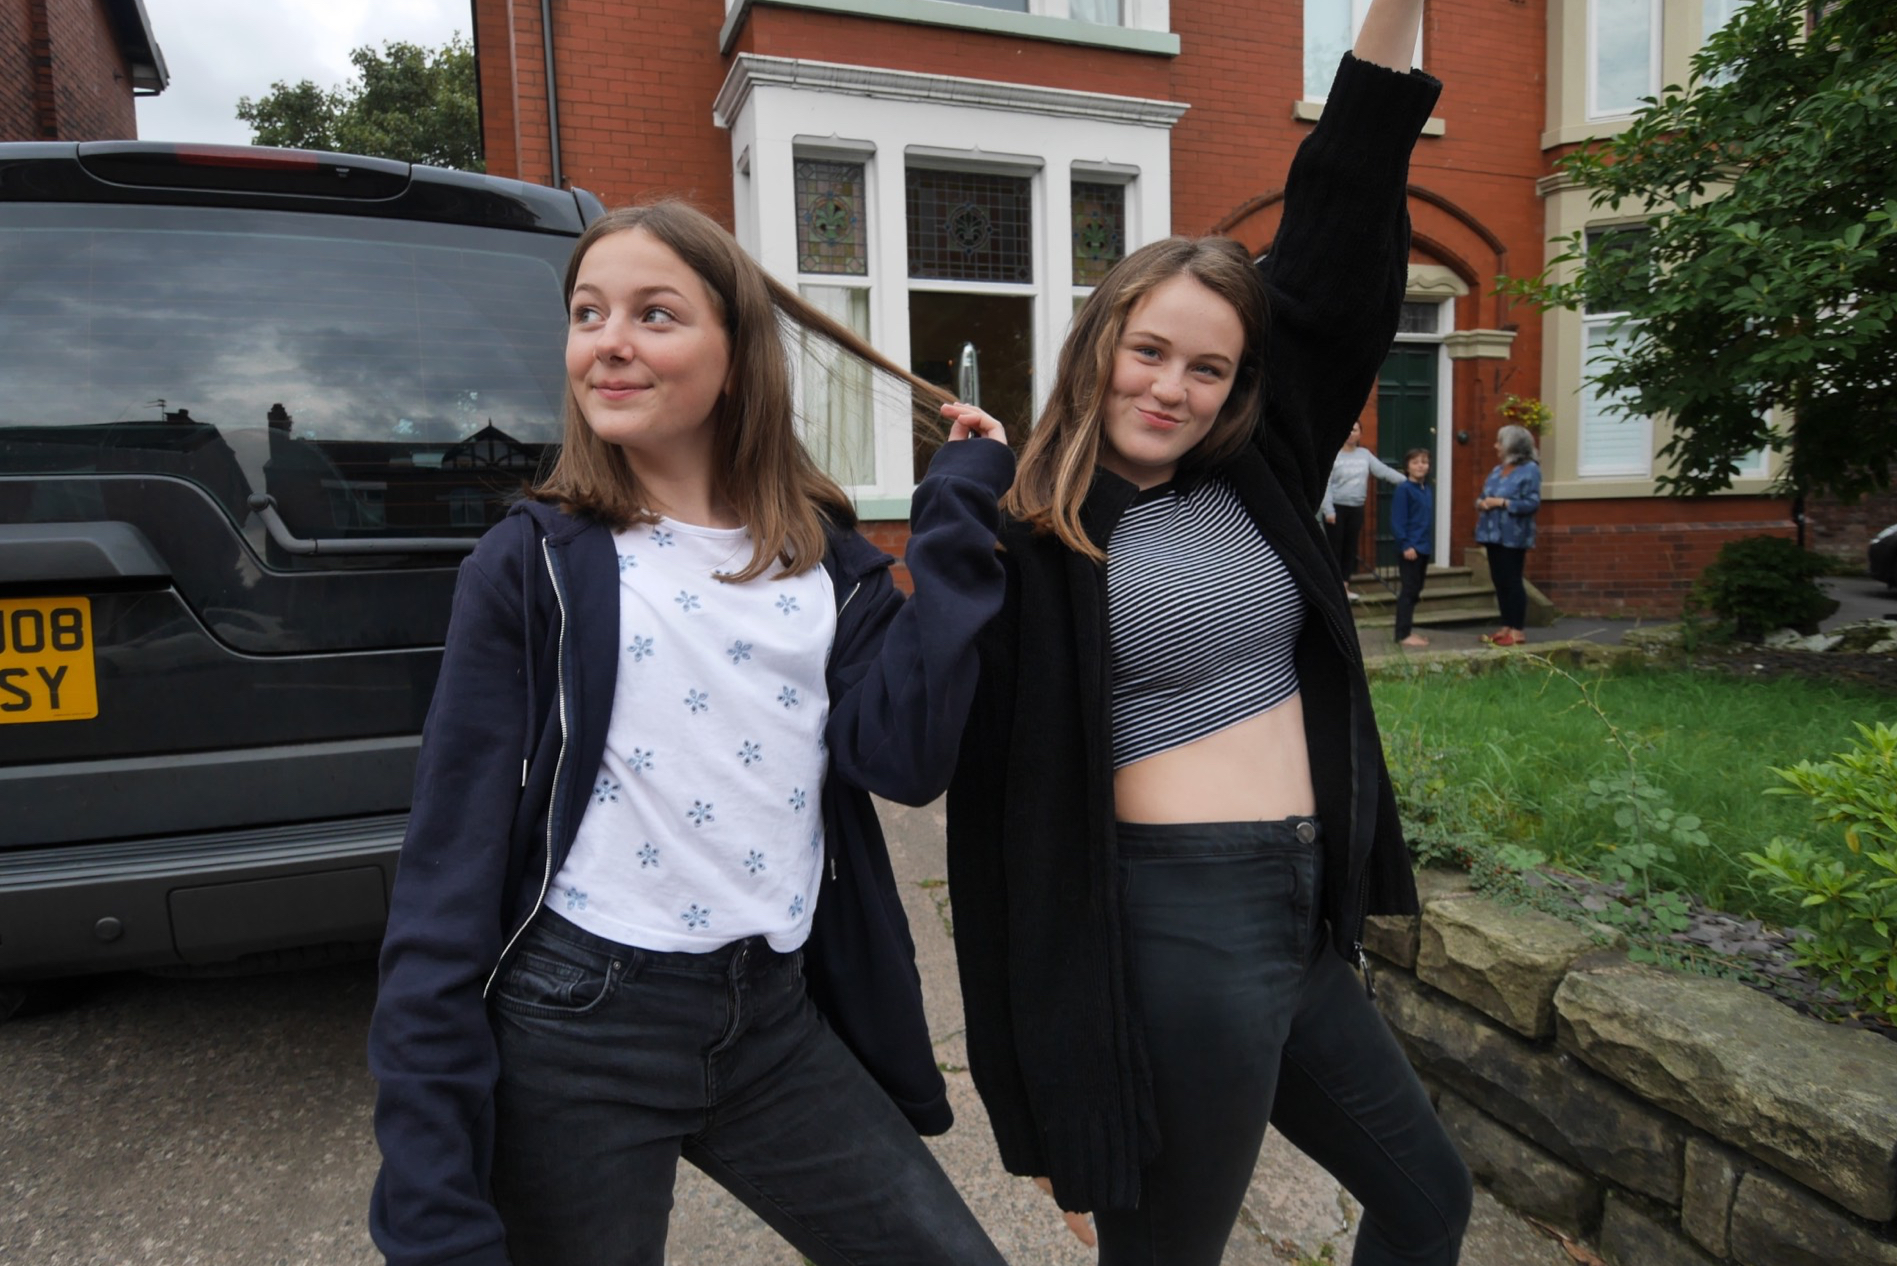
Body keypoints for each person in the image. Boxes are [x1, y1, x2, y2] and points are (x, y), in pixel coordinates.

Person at [366, 200, 1017, 1266]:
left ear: (737, 356)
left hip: (769, 1019)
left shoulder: (823, 564)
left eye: (655, 314)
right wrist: (430, 1202)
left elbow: (902, 760)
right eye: (588, 313)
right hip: (578, 1027)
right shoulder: (531, 567)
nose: (609, 340)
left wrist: (954, 515)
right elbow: (445, 876)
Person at [944, 5, 1473, 1265]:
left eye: (1208, 369)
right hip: (1170, 925)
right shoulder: (1036, 533)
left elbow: (1340, 215)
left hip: (1299, 915)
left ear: (1241, 385)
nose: (1171, 389)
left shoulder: (1258, 470)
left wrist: (1390, 12)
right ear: (1099, 346)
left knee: (1427, 1200)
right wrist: (958, 497)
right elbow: (987, 818)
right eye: (1149, 351)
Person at [1320, 420, 1405, 600]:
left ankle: (1344, 586)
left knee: (1350, 548)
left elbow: (1383, 471)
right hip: (1336, 509)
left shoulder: (1365, 455)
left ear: (1360, 434)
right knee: (1335, 549)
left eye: (1355, 430)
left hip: (1356, 508)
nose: (1351, 433)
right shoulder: (1334, 455)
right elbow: (1325, 483)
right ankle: (1333, 589)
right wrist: (1328, 510)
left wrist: (1408, 482)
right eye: (1348, 430)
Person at [1474, 423, 1542, 647]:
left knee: (1512, 581)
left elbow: (1532, 503)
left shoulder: (1530, 470)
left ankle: (1517, 630)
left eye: (1500, 442)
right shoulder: (1497, 470)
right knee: (1499, 580)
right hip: (1491, 534)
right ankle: (1505, 626)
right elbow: (1483, 496)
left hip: (1514, 536)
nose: (1496, 446)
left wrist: (1502, 503)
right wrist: (1482, 503)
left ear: (1513, 445)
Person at [1391, 446, 1434, 647]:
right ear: (1407, 467)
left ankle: (1407, 630)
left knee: (1416, 590)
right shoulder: (1404, 490)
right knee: (1408, 591)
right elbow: (1398, 521)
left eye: (1424, 462)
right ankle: (1402, 634)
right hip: (1411, 549)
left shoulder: (1426, 490)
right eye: (1415, 462)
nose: (1420, 466)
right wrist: (1406, 545)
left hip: (1423, 548)